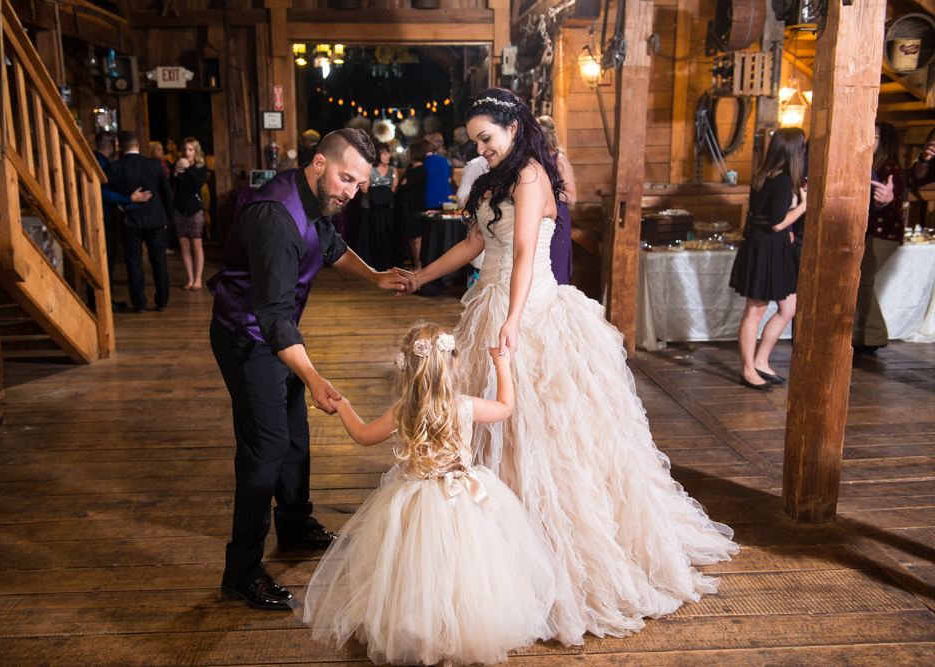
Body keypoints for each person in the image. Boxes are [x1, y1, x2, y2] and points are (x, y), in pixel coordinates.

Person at [394, 88, 738, 645]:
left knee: (546, 429)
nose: (481, 148)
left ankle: (553, 546)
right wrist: (421, 277)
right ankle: (499, 540)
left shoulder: (530, 173)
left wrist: (513, 317)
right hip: (493, 301)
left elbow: (527, 251)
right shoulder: (492, 179)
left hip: (531, 308)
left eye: (487, 137)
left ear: (513, 126)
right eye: (475, 141)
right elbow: (476, 244)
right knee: (496, 429)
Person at [207, 128, 409, 611]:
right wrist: (314, 376)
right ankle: (241, 571)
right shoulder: (275, 216)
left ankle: (295, 526)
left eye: (359, 184)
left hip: (278, 338)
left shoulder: (316, 198)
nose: (351, 192)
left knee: (295, 432)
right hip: (248, 338)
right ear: (319, 163)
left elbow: (332, 247)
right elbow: (272, 317)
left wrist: (376, 277)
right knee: (266, 449)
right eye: (345, 179)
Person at [302, 323, 556, 666]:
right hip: (462, 502)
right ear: (454, 362)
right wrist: (502, 364)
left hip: (415, 503)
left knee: (416, 569)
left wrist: (344, 405)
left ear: (407, 365)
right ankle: (458, 631)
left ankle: (425, 643)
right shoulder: (464, 406)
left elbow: (362, 435)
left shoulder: (403, 410)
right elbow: (505, 407)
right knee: (462, 571)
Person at [728, 128, 806, 390]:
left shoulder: (765, 174)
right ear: (794, 151)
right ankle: (748, 370)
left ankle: (761, 360)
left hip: (772, 247)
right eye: (802, 148)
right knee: (755, 310)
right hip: (767, 246)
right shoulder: (782, 179)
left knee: (788, 307)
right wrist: (804, 207)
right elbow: (776, 223)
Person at [104, 130, 174, 313]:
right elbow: (167, 194)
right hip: (156, 219)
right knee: (159, 261)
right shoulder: (154, 164)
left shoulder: (114, 167)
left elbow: (101, 192)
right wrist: (166, 218)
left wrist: (125, 199)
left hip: (130, 220)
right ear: (137, 145)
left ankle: (139, 304)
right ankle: (162, 302)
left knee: (134, 263)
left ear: (120, 147)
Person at [854, 123, 906, 354]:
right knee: (863, 283)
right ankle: (862, 335)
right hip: (874, 233)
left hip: (882, 234)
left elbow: (887, 204)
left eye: (872, 136)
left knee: (861, 283)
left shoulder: (889, 167)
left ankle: (875, 335)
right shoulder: (877, 165)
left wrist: (884, 201)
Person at [93, 131, 150, 312]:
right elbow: (99, 192)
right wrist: (127, 199)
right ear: (111, 146)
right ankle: (102, 302)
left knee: (105, 259)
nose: (118, 149)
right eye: (116, 146)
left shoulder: (100, 161)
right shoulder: (101, 164)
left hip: (105, 215)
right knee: (104, 259)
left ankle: (104, 300)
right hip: (102, 215)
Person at [537, 115, 577, 285]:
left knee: (555, 271)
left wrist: (547, 190)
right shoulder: (534, 161)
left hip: (557, 222)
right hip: (538, 218)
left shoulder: (558, 159)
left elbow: (572, 197)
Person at [172, 137, 210, 290]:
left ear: (196, 151)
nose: (187, 152)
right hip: (179, 209)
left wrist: (189, 168)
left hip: (194, 209)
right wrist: (175, 172)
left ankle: (198, 279)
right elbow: (170, 186)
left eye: (190, 149)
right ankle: (190, 278)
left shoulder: (201, 167)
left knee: (197, 246)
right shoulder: (178, 164)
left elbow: (197, 185)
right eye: (185, 149)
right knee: (184, 247)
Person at [357, 143, 399, 271]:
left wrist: (376, 191)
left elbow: (394, 189)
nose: (388, 156)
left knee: (387, 235)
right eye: (384, 153)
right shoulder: (369, 169)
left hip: (388, 208)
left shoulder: (393, 169)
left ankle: (387, 263)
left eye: (388, 153)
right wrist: (382, 192)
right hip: (370, 208)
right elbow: (364, 189)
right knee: (370, 236)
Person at [397, 140, 429, 271]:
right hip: (409, 208)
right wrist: (403, 184)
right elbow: (401, 185)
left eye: (408, 152)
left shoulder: (419, 170)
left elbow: (404, 186)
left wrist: (403, 184)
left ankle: (419, 267)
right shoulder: (411, 169)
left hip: (416, 208)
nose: (406, 154)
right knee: (411, 239)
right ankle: (417, 266)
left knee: (416, 239)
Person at [423, 141, 452, 209]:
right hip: (446, 198)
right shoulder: (443, 160)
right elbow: (449, 180)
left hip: (429, 200)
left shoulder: (422, 162)